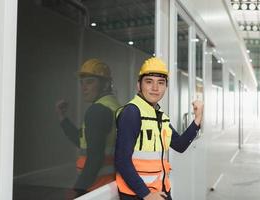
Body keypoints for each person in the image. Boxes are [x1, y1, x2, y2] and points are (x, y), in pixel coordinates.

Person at [115, 57, 204, 200]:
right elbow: (122, 160)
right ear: (139, 85)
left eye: (161, 83)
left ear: (166, 87)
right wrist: (146, 194)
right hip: (138, 195)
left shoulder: (160, 117)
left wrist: (198, 119)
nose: (155, 88)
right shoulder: (132, 112)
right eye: (149, 82)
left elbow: (180, 145)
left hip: (160, 191)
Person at [55, 58, 120, 199]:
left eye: (90, 82)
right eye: (82, 83)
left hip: (95, 187)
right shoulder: (114, 106)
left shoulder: (97, 110)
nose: (84, 87)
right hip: (109, 186)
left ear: (106, 84)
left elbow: (95, 158)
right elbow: (82, 141)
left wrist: (77, 190)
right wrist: (62, 117)